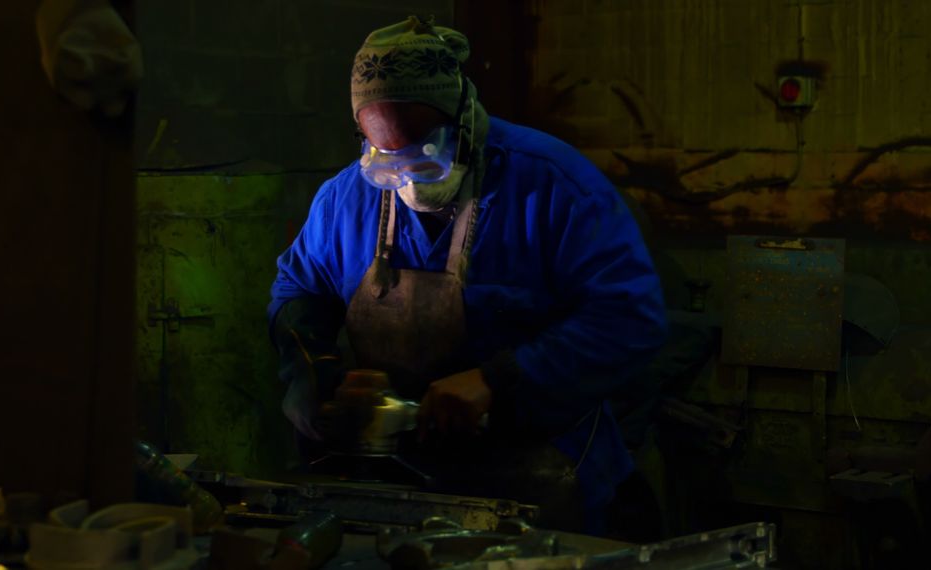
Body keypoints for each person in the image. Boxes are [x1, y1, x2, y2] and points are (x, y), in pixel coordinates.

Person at [268, 15, 667, 534]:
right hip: (399, 478)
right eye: (388, 159)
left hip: (540, 476)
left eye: (425, 154)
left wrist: (497, 381)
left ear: (465, 119)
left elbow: (631, 318)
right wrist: (317, 372)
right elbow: (298, 288)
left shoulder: (555, 188)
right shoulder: (345, 200)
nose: (407, 177)